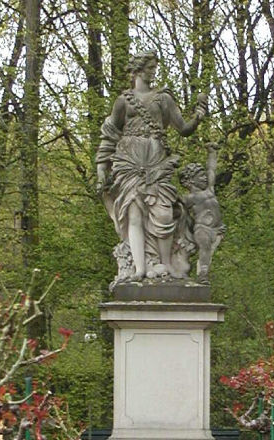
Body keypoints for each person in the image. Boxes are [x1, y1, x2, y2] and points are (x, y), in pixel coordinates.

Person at [96, 51, 207, 280]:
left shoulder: (163, 99)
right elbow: (109, 136)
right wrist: (101, 169)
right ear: (138, 69)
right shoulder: (123, 101)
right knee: (134, 214)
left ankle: (166, 265)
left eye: (155, 67)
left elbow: (183, 128)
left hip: (156, 162)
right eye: (150, 67)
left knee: (164, 213)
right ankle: (139, 269)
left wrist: (198, 117)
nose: (154, 71)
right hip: (129, 161)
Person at [179, 144, 225, 283]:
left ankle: (202, 272)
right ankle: (202, 274)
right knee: (204, 249)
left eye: (204, 175)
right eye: (200, 176)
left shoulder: (210, 190)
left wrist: (212, 153)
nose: (205, 178)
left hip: (217, 229)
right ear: (191, 180)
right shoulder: (189, 198)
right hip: (202, 229)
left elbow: (211, 170)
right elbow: (176, 208)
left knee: (209, 253)